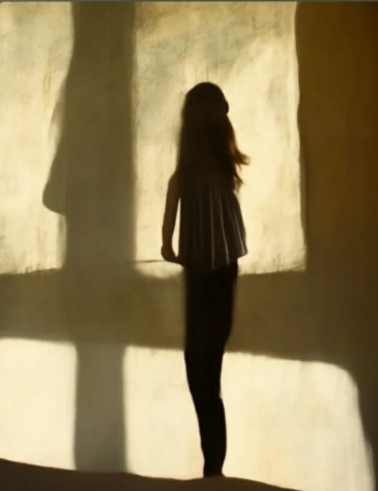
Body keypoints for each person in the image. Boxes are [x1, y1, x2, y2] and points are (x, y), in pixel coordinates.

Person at [161, 82, 248, 478]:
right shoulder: (216, 165)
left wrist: (168, 242)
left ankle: (213, 470)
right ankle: (213, 470)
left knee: (203, 377)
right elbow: (176, 191)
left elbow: (175, 191)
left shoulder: (204, 167)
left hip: (207, 276)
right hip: (212, 275)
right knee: (205, 378)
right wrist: (167, 242)